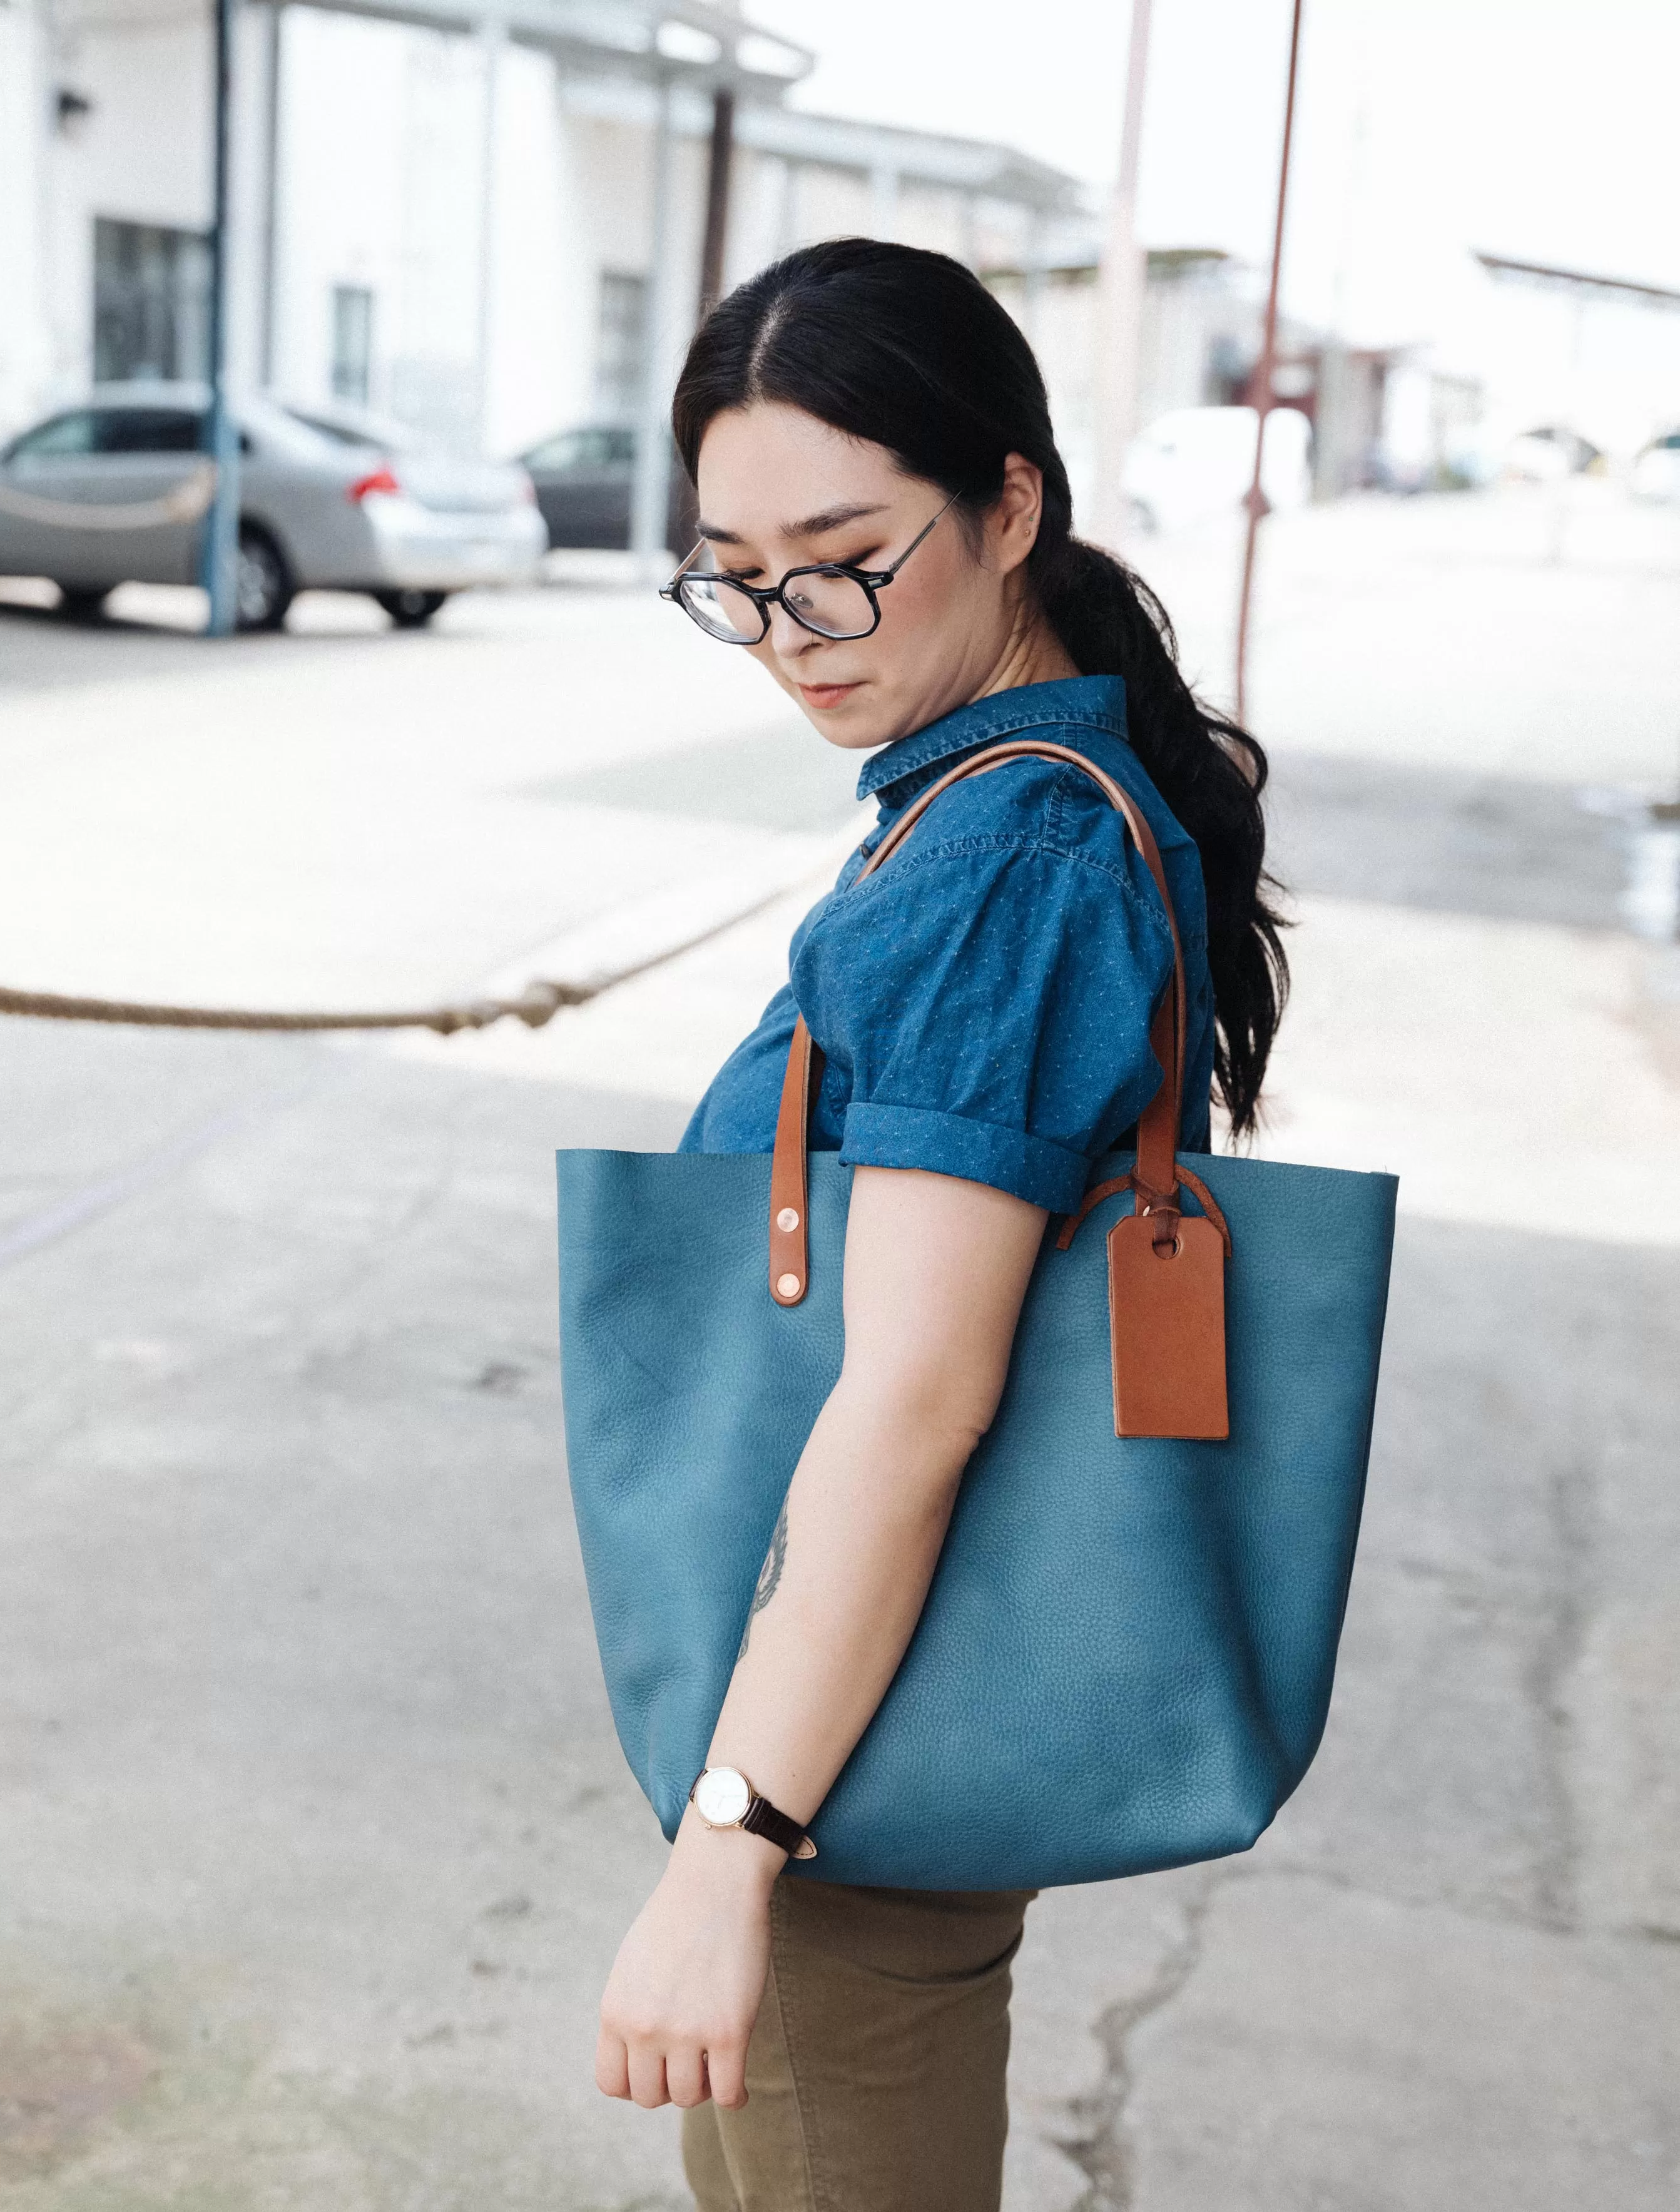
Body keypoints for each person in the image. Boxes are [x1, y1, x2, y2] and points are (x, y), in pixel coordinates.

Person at [591, 238, 1286, 2212]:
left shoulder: (1008, 842)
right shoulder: (1002, 784)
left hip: (835, 1800)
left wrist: (730, 1839)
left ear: (1007, 504)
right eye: (733, 572)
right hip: (860, 1760)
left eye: (843, 549)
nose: (791, 622)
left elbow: (913, 1396)